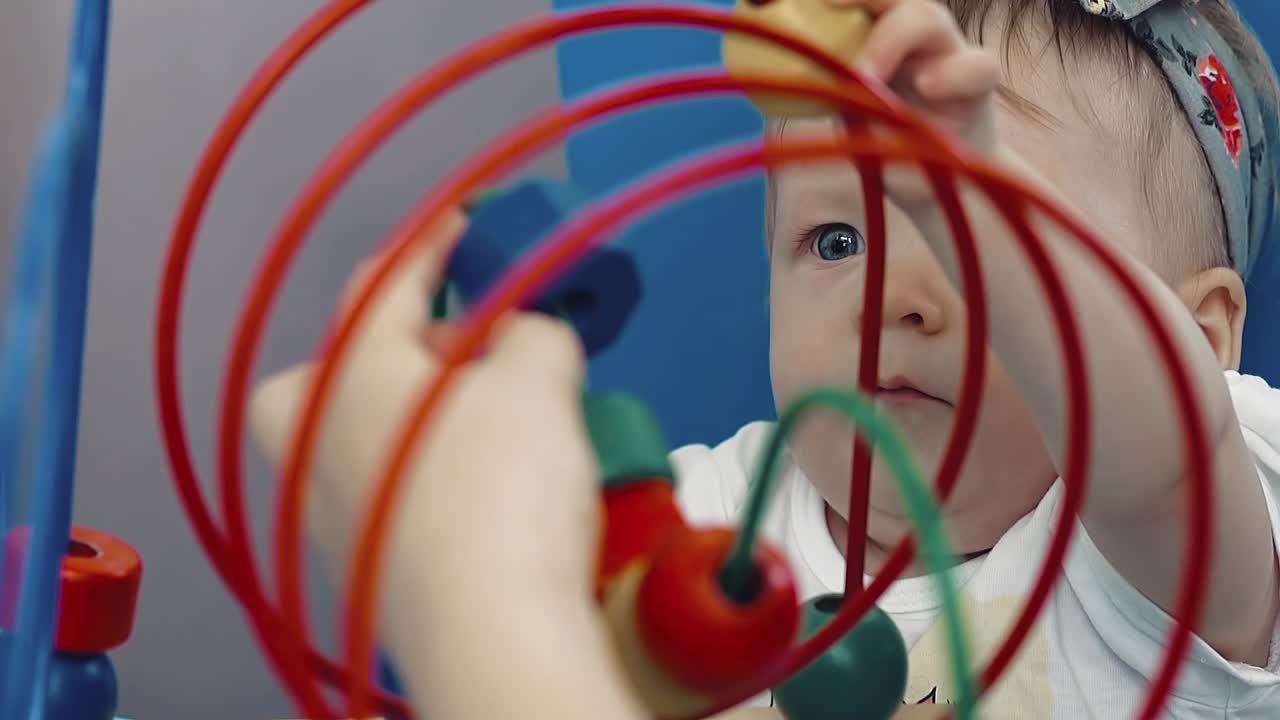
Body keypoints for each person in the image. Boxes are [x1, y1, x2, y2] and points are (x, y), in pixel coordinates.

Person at [251, 0, 1280, 717]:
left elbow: (1165, 450)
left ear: (1199, 344)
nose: (892, 298)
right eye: (837, 240)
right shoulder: (699, 514)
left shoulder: (1154, 562)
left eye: (978, 236)